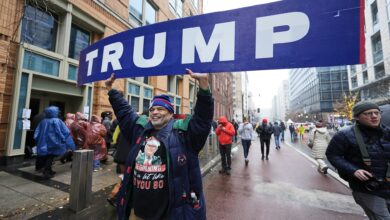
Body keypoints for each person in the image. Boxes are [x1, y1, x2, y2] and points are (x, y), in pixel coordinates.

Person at [105, 69, 212, 220]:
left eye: (160, 109)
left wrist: (204, 86)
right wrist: (111, 89)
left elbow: (202, 120)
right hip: (138, 213)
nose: (155, 112)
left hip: (169, 213)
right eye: (152, 109)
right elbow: (124, 111)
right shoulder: (140, 129)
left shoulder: (183, 133)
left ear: (170, 114)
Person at [326, 101, 390, 219]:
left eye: (376, 113)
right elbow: (333, 155)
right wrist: (354, 170)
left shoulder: (387, 132)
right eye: (368, 113)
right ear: (357, 117)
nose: (374, 116)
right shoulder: (344, 135)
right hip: (367, 189)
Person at [34, 106, 73, 179]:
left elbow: (37, 132)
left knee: (47, 156)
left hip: (44, 142)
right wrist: (63, 139)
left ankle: (48, 170)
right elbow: (65, 131)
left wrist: (37, 140)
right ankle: (47, 171)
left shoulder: (43, 121)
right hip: (54, 142)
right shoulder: (57, 121)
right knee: (50, 156)